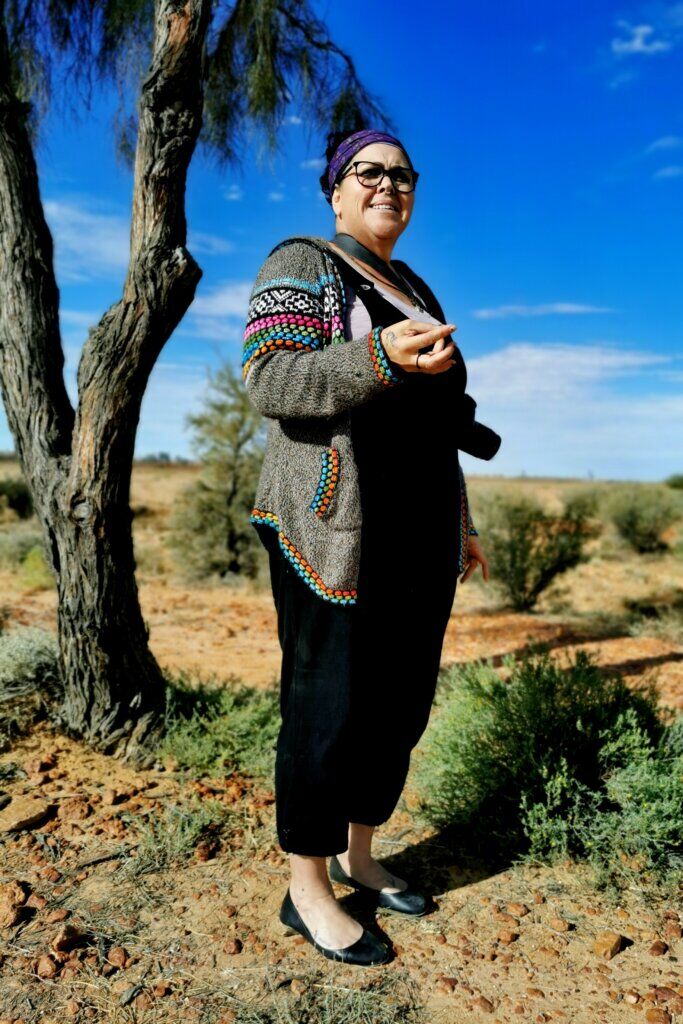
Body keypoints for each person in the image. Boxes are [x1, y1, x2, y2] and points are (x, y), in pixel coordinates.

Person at [241, 127, 501, 966]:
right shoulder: (303, 262)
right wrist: (376, 356)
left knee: (398, 702)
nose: (388, 185)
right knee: (328, 703)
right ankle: (307, 888)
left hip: (420, 527)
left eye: (402, 175)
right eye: (369, 172)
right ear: (336, 189)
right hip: (334, 527)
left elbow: (435, 427)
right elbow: (270, 379)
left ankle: (359, 853)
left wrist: (458, 524)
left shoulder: (413, 285)